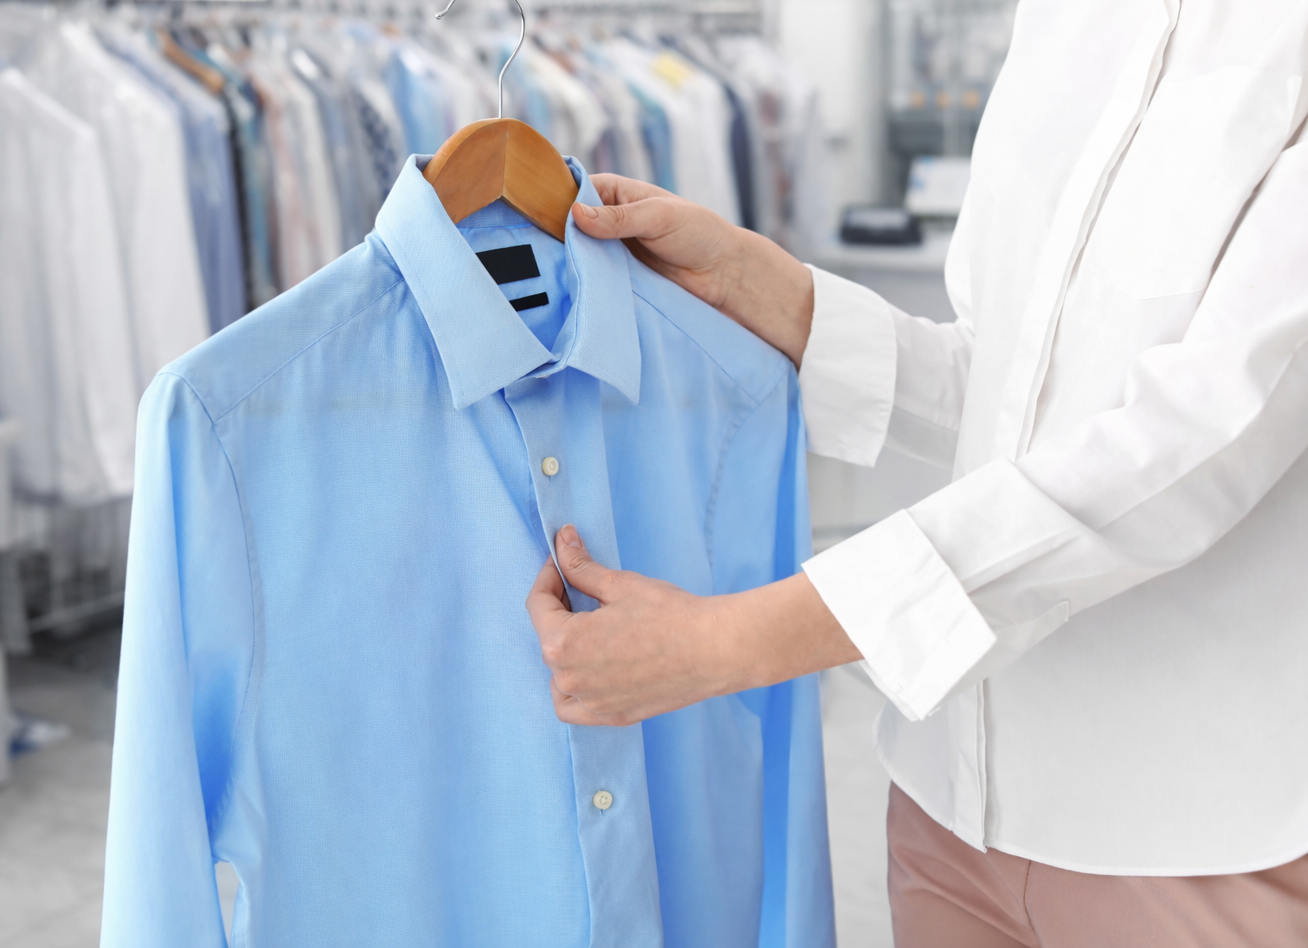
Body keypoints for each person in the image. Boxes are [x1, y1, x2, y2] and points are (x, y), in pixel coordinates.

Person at [525, 1, 1308, 945]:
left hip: (1184, 841)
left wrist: (733, 641)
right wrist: (765, 287)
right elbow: (1003, 387)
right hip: (946, 810)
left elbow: (1187, 452)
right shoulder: (1061, 22)